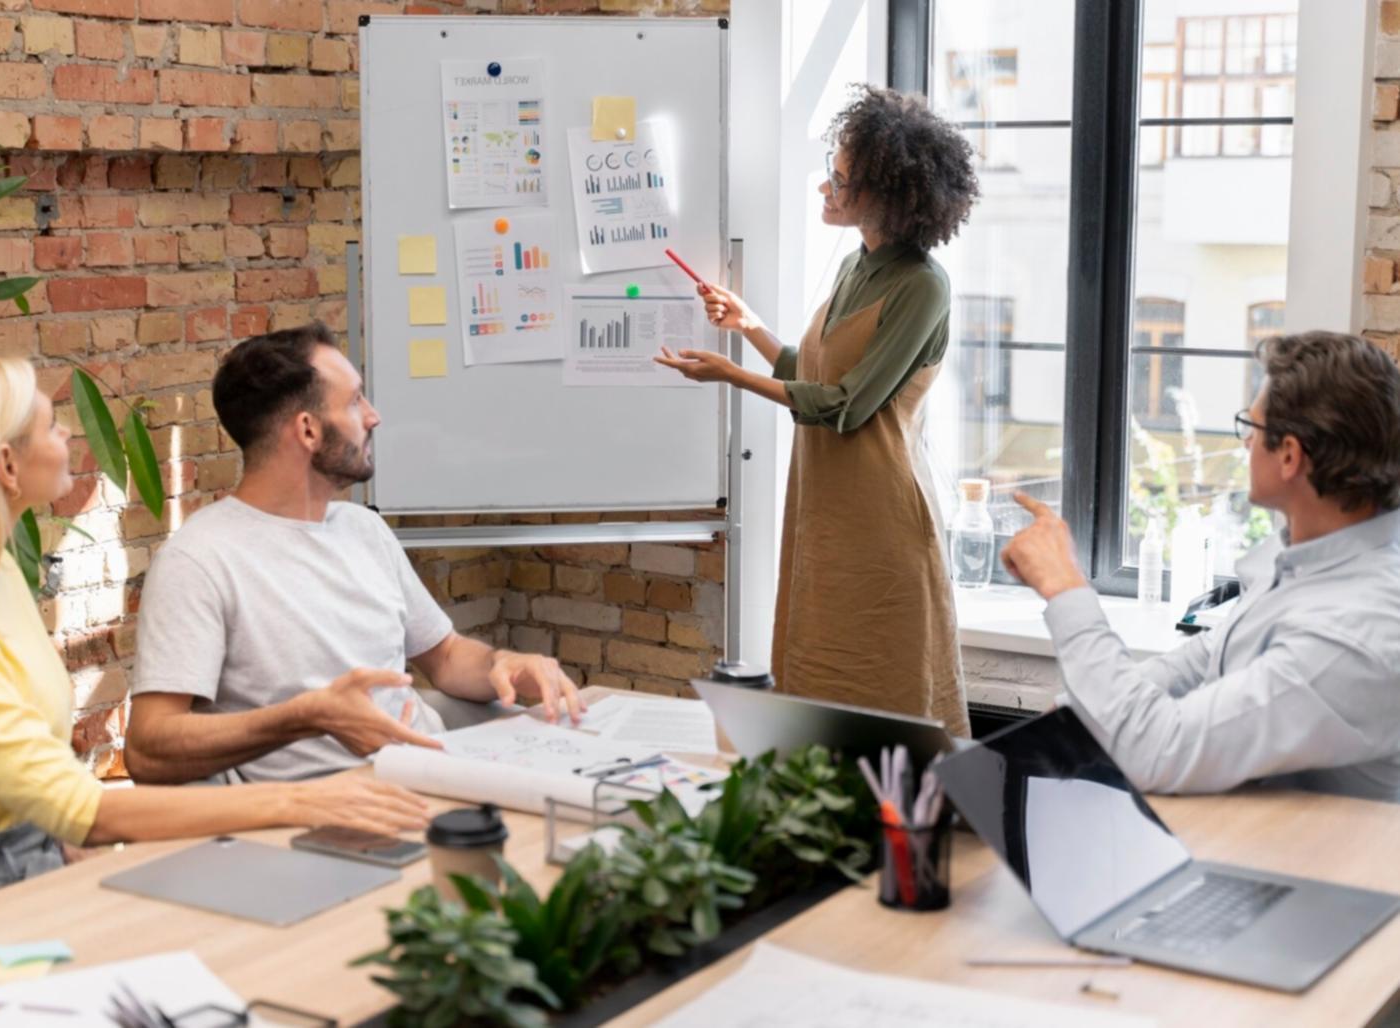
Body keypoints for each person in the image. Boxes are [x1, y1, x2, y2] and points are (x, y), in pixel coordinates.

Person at [0, 352, 429, 919]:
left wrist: (59, 838)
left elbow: (24, 769)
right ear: (7, 466)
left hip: (36, 863)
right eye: (49, 425)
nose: (68, 432)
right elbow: (83, 809)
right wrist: (301, 800)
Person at [124, 324, 583, 785]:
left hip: (438, 774)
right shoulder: (200, 560)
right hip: (330, 806)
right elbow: (148, 748)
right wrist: (304, 717)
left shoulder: (364, 529)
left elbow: (444, 657)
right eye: (354, 401)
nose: (373, 416)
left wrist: (501, 664)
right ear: (308, 429)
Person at [656, 87, 979, 735]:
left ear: (886, 194)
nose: (826, 187)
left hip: (882, 518)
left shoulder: (923, 285)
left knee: (886, 689)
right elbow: (813, 371)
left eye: (840, 178)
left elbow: (846, 406)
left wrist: (729, 374)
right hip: (825, 510)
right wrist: (748, 326)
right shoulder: (857, 266)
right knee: (818, 671)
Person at [1000, 331, 1400, 799]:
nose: (1245, 443)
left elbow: (1162, 750)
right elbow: (1206, 659)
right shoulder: (1305, 560)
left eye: (1250, 427)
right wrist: (1083, 710)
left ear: (1290, 455)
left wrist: (1065, 587)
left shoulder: (1354, 632)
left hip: (1305, 848)